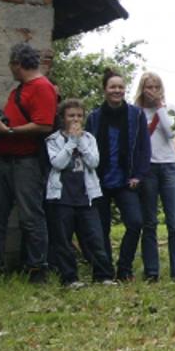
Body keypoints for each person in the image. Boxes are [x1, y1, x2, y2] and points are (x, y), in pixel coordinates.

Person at [0, 43, 57, 282]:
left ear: (17, 64)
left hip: (26, 161)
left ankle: (37, 269)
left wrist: (11, 131)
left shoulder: (42, 87)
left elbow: (45, 124)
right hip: (4, 159)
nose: (11, 70)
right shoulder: (19, 90)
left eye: (11, 65)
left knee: (30, 216)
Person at [86, 70, 152, 281]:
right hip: (100, 181)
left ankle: (124, 268)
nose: (117, 91)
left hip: (126, 181)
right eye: (112, 87)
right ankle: (104, 271)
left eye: (120, 87)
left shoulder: (136, 115)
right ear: (105, 90)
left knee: (135, 223)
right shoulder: (94, 118)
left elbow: (144, 148)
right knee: (101, 228)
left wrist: (138, 175)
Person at [45, 98, 115, 286]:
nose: (75, 119)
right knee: (64, 240)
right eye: (71, 116)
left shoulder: (90, 139)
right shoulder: (53, 140)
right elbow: (57, 163)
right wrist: (71, 142)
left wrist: (80, 142)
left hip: (87, 196)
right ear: (62, 118)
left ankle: (103, 276)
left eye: (79, 116)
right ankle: (70, 278)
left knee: (95, 238)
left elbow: (94, 162)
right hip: (62, 197)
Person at [135, 72, 175, 279]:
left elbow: (171, 133)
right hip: (147, 169)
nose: (153, 91)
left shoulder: (169, 109)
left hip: (169, 167)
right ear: (142, 88)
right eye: (149, 87)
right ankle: (151, 271)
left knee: (174, 222)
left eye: (157, 87)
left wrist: (161, 107)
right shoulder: (136, 112)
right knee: (150, 223)